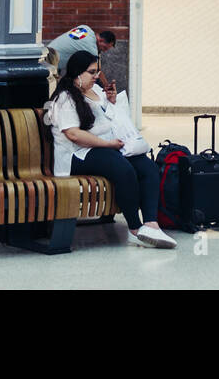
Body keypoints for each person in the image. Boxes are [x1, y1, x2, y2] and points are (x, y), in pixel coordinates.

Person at [46, 51, 175, 248]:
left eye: (97, 71)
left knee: (147, 166)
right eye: (91, 72)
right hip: (76, 154)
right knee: (122, 169)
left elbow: (107, 117)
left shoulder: (96, 91)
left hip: (105, 148)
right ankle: (134, 229)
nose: (96, 76)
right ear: (77, 73)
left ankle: (151, 224)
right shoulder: (65, 98)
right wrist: (108, 144)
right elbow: (73, 135)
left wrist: (111, 102)